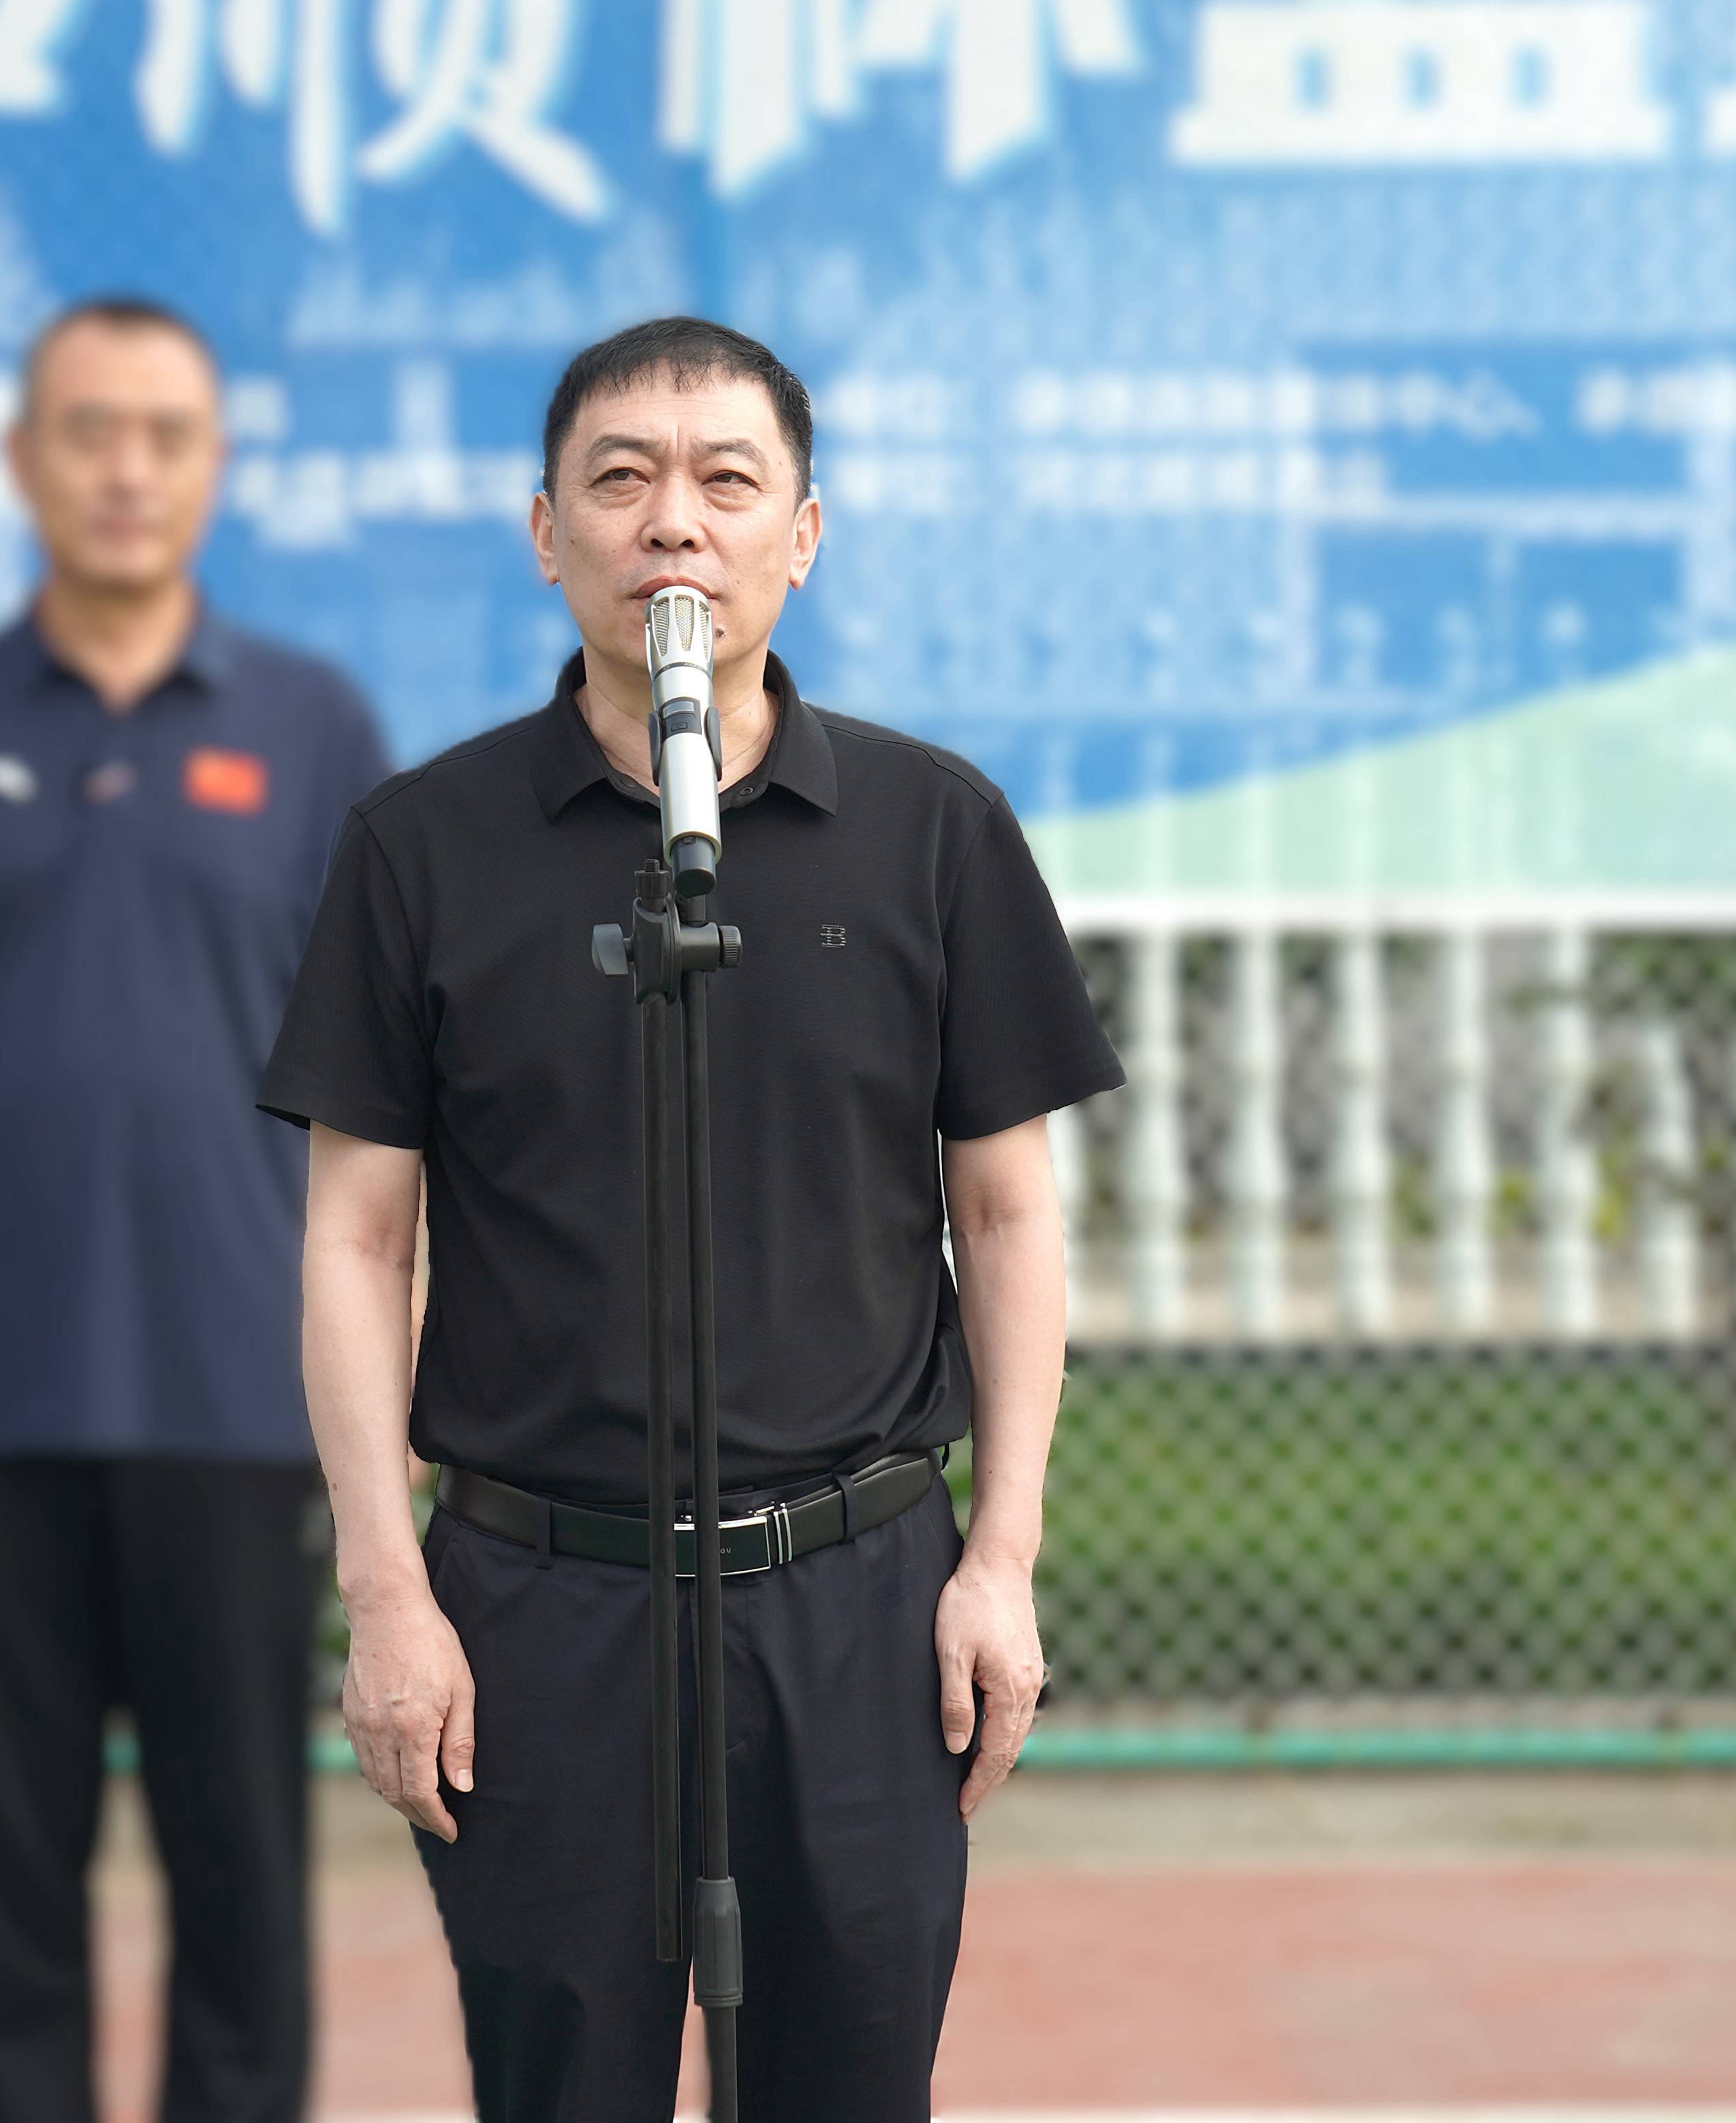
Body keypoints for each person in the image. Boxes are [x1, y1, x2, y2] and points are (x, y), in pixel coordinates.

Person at [259, 315, 1121, 2121]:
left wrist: (1003, 1555)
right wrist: (387, 1588)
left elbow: (1006, 1212)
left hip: (860, 1596)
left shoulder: (932, 827)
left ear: (802, 535)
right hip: (539, 1606)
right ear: (545, 531)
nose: (674, 522)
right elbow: (356, 1240)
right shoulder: (423, 845)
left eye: (728, 481)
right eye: (621, 481)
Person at [0, 296, 391, 2122]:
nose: (126, 469)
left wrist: (399, 1360)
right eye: (88, 430)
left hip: (241, 1391)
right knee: (5, 1898)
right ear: (20, 459)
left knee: (243, 1884)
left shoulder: (312, 725)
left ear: (218, 466)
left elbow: (391, 1089)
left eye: (165, 434)